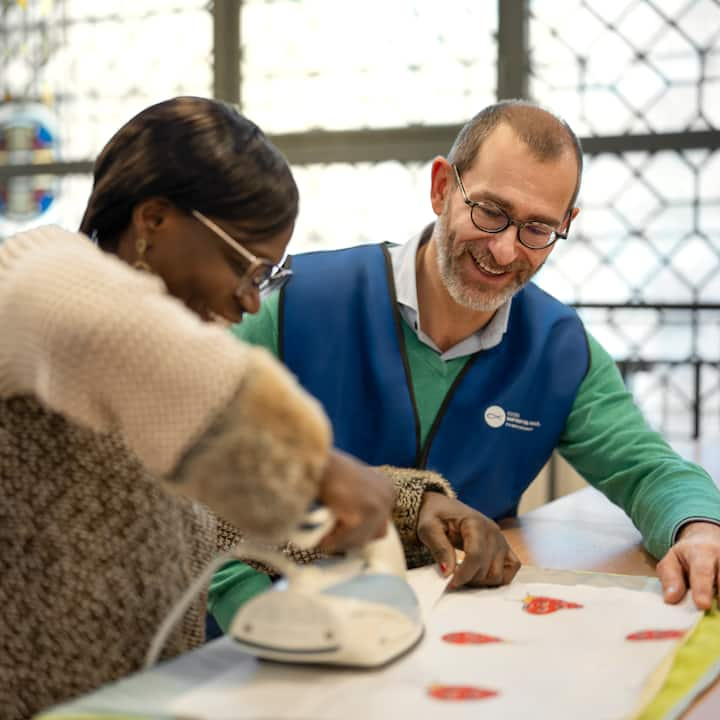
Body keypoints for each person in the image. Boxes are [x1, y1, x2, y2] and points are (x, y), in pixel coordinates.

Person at [0, 95, 432, 720]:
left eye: (266, 275)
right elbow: (101, 320)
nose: (252, 301)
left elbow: (215, 524)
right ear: (153, 219)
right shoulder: (34, 280)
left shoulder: (163, 388)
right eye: (244, 266)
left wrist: (408, 505)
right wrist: (318, 464)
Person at [227, 99, 720, 613]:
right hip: (268, 622)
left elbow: (645, 469)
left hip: (456, 634)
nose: (505, 251)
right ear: (442, 187)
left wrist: (700, 529)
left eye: (537, 229)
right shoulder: (292, 302)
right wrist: (254, 620)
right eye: (490, 212)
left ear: (566, 223)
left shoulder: (559, 348)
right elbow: (191, 466)